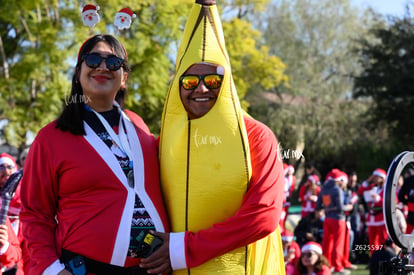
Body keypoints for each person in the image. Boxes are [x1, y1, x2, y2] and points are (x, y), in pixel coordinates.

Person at [140, 0, 285, 274]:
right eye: (190, 82)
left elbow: (264, 215)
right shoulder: (163, 143)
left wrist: (183, 250)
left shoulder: (257, 136)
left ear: (227, 84)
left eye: (214, 80)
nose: (202, 88)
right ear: (177, 87)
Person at [19, 34, 170, 275]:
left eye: (113, 62)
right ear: (78, 74)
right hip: (85, 268)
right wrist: (51, 269)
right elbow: (35, 213)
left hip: (154, 269)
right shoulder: (51, 138)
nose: (102, 66)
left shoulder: (139, 125)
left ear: (124, 78)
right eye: (92, 59)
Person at [316, 169, 350, 275]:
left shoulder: (323, 189)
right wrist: (349, 207)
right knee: (338, 244)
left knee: (326, 243)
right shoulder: (337, 189)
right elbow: (341, 207)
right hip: (338, 220)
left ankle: (326, 265)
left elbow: (318, 206)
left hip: (327, 220)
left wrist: (327, 210)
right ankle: (338, 267)